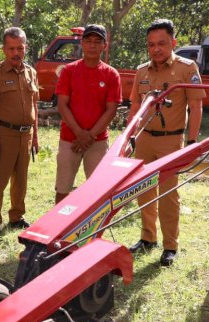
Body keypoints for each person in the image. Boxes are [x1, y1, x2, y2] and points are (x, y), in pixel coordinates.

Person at [128, 19, 205, 267]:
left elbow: (196, 105)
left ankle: (170, 245)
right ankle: (148, 238)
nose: (156, 49)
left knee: (168, 195)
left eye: (161, 43)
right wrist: (129, 136)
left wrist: (192, 142)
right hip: (144, 139)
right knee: (144, 190)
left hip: (171, 139)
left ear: (173, 43)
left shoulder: (186, 68)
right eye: (151, 45)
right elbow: (135, 106)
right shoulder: (142, 71)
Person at [54, 24, 121, 204]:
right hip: (70, 139)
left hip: (97, 141)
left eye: (97, 41)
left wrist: (90, 135)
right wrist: (79, 133)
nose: (92, 45)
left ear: (104, 46)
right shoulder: (69, 71)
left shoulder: (111, 74)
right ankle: (60, 229)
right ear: (82, 44)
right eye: (88, 41)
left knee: (98, 193)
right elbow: (62, 105)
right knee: (63, 189)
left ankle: (93, 231)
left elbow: (111, 109)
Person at [0, 27, 39, 235]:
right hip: (4, 134)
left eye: (20, 48)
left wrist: (35, 137)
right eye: (11, 48)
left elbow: (35, 105)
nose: (16, 53)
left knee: (21, 179)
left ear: (25, 48)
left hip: (26, 135)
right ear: (4, 49)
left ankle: (17, 216)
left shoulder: (31, 72)